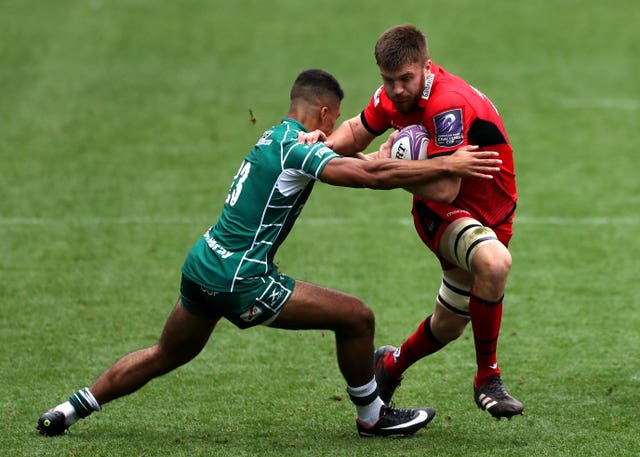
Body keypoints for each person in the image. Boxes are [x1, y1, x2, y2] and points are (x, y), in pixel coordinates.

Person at [36, 69, 503, 439]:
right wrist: (448, 162)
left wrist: (377, 158)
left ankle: (68, 409)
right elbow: (372, 179)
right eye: (333, 119)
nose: (332, 128)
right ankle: (372, 416)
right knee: (357, 318)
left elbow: (361, 163)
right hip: (242, 279)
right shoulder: (298, 148)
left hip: (203, 262)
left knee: (164, 353)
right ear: (324, 113)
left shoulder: (272, 139)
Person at [299, 24, 523, 419]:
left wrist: (387, 164)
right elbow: (359, 130)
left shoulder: (446, 103)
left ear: (427, 68)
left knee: (449, 324)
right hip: (445, 213)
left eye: (406, 79)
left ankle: (389, 366)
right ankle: (488, 377)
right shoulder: (393, 96)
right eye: (389, 80)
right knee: (494, 262)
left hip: (491, 213)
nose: (398, 89)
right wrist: (320, 145)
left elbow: (445, 185)